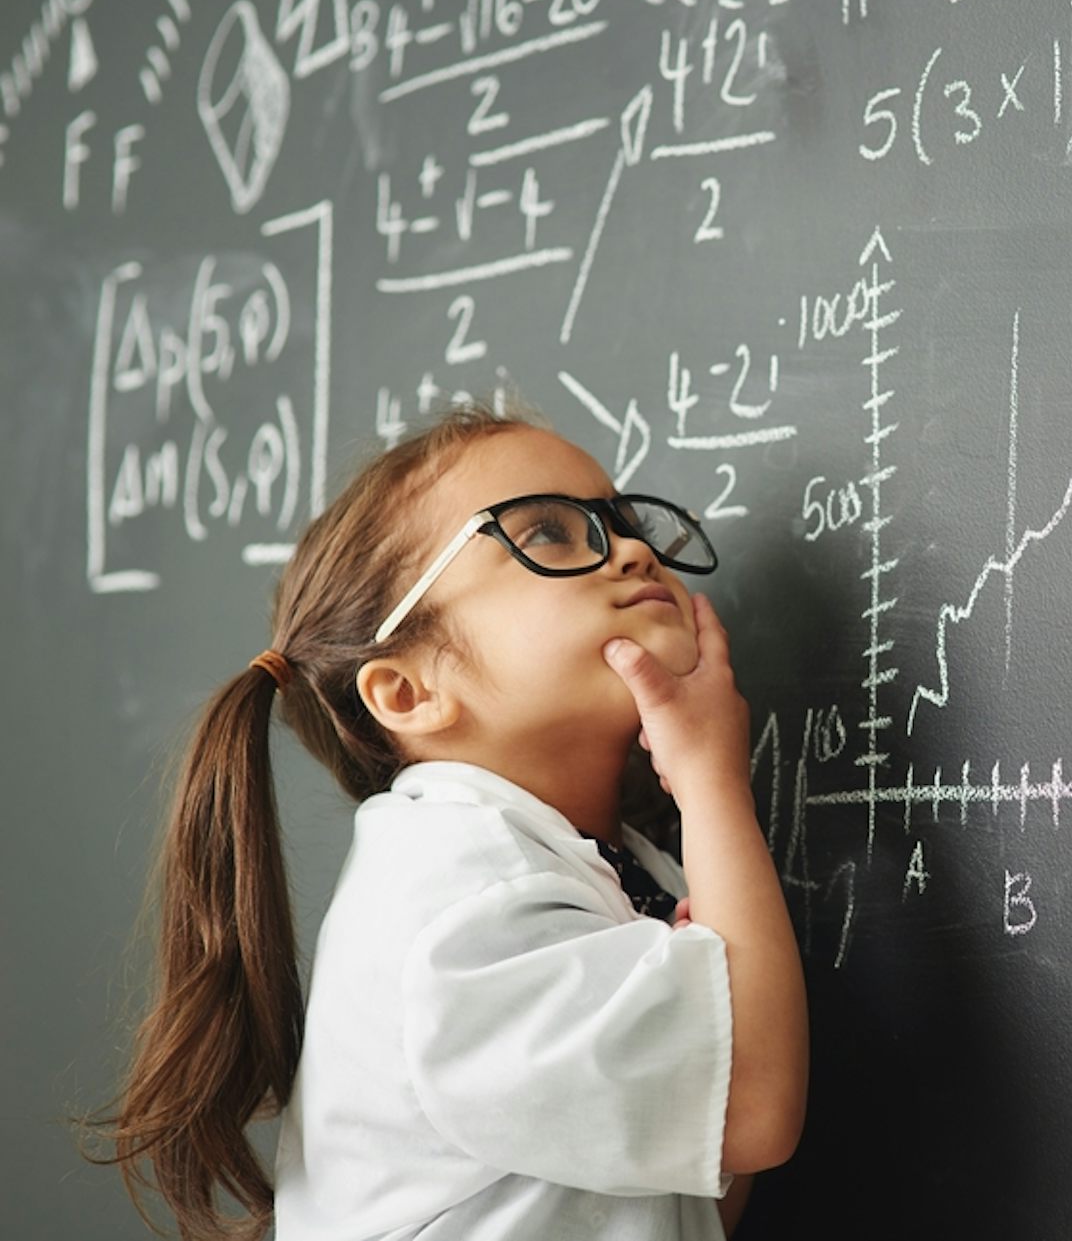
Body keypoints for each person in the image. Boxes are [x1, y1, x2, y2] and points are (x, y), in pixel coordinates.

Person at [73, 398, 807, 1240]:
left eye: (624, 521)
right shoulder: (457, 901)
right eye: (546, 532)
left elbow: (696, 1182)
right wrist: (711, 777)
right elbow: (752, 1107)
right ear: (408, 691)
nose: (633, 549)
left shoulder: (615, 869)